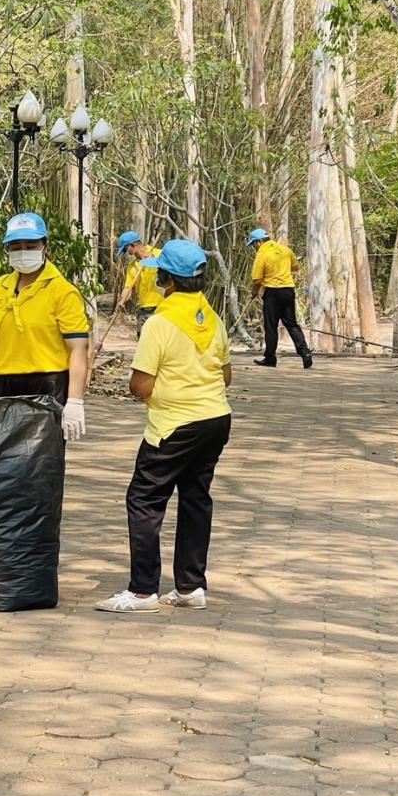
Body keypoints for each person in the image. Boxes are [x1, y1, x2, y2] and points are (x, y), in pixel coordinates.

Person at [97, 240, 232, 614]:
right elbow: (226, 376)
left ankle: (142, 591)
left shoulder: (159, 323)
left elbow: (140, 385)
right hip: (215, 420)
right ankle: (190, 587)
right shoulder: (213, 319)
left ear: (167, 280)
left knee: (144, 500)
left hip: (173, 425)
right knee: (195, 498)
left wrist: (167, 389)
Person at [0, 212, 90, 441]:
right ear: (7, 249)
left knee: (40, 464)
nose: (23, 251)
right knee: (1, 461)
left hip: (48, 386)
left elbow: (78, 348)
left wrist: (75, 400)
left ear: (44, 246)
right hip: (5, 385)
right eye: (16, 246)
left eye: (31, 245)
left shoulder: (62, 291)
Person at [247, 227, 313, 369]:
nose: (253, 247)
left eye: (253, 244)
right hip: (288, 290)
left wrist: (254, 293)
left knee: (271, 326)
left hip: (273, 293)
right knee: (291, 324)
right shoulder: (285, 250)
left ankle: (270, 358)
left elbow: (257, 280)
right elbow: (294, 267)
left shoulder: (262, 254)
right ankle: (305, 353)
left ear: (259, 242)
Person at [114, 231, 164, 334]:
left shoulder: (159, 254)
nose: (125, 252)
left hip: (162, 308)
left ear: (132, 245)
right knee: (142, 339)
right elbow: (128, 288)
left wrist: (154, 260)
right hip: (144, 310)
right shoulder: (132, 266)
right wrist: (121, 301)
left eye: (125, 249)